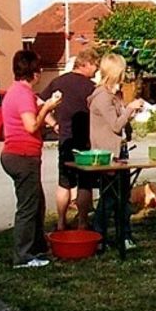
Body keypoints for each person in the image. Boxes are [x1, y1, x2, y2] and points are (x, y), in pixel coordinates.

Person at [1, 50, 62, 268]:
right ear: (34, 73)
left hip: (17, 155)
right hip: (22, 155)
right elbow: (31, 125)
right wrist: (48, 108)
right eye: (39, 69)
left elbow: (39, 106)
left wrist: (54, 122)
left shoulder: (17, 91)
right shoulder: (23, 94)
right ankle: (23, 256)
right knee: (28, 207)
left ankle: (38, 248)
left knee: (37, 203)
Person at [87, 54, 145, 250]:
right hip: (108, 156)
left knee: (120, 197)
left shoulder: (112, 95)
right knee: (111, 198)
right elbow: (114, 125)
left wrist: (129, 112)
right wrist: (129, 109)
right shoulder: (102, 97)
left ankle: (121, 236)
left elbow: (119, 123)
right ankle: (100, 237)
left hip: (118, 152)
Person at [39, 47, 100, 231]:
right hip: (85, 142)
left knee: (64, 183)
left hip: (65, 139)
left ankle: (60, 222)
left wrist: (53, 123)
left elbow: (39, 103)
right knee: (84, 184)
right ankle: (82, 222)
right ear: (86, 64)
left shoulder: (58, 82)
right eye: (95, 66)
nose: (96, 70)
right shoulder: (91, 88)